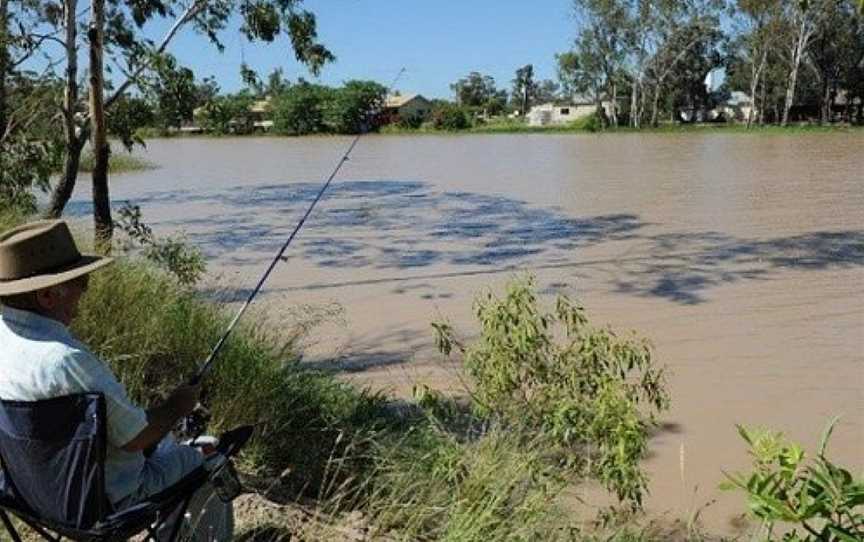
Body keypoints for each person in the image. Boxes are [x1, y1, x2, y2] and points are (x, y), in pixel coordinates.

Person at [0, 220, 233, 540]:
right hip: (102, 505)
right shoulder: (67, 359)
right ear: (46, 295)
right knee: (209, 461)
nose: (85, 290)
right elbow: (136, 438)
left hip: (31, 494)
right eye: (78, 281)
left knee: (168, 446)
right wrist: (178, 405)